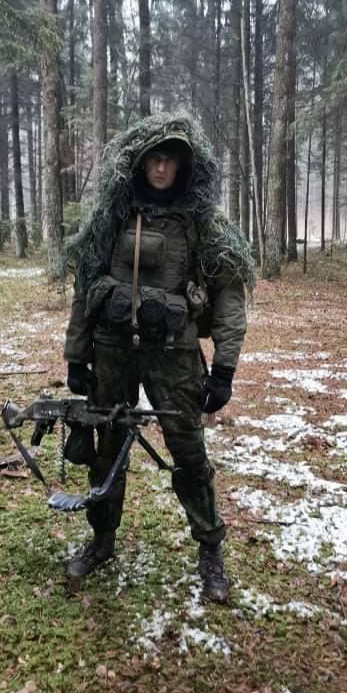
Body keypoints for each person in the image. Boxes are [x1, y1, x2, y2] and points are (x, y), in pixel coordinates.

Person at [63, 112, 253, 603]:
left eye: (170, 159)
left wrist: (225, 368)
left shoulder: (205, 225)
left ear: (183, 166)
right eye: (155, 158)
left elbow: (229, 299)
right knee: (108, 452)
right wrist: (76, 354)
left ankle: (210, 550)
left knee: (190, 455)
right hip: (113, 352)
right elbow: (85, 286)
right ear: (141, 163)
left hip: (175, 357)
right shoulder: (114, 216)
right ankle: (102, 540)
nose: (162, 168)